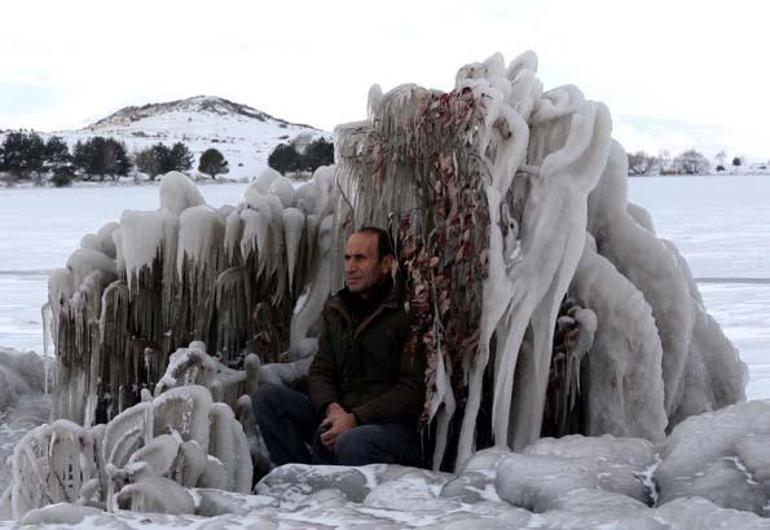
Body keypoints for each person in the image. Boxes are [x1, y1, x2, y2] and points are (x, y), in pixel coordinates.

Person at [251, 227, 426, 467]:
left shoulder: (407, 312)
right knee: (267, 399)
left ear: (386, 264)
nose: (350, 267)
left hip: (388, 427)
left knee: (352, 442)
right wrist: (332, 409)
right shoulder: (337, 310)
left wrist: (356, 418)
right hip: (340, 415)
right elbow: (321, 370)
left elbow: (412, 390)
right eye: (347, 258)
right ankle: (298, 479)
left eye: (360, 258)